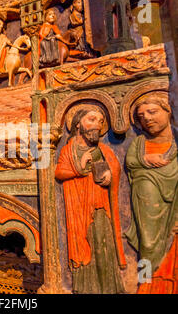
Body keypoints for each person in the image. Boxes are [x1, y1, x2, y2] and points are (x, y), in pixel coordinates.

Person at [55, 106, 126, 294]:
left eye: (100, 122)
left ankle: (111, 288)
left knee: (103, 244)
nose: (97, 125)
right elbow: (59, 172)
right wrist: (79, 167)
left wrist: (110, 176)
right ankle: (87, 288)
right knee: (83, 245)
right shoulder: (68, 150)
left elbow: (114, 168)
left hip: (99, 206)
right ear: (78, 124)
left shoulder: (102, 149)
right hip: (77, 207)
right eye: (91, 119)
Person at [125, 92, 178, 294]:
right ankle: (145, 282)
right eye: (141, 116)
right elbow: (130, 161)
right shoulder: (139, 144)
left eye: (152, 112)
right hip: (146, 201)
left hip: (173, 205)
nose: (146, 118)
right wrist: (147, 160)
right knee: (147, 243)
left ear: (168, 110)